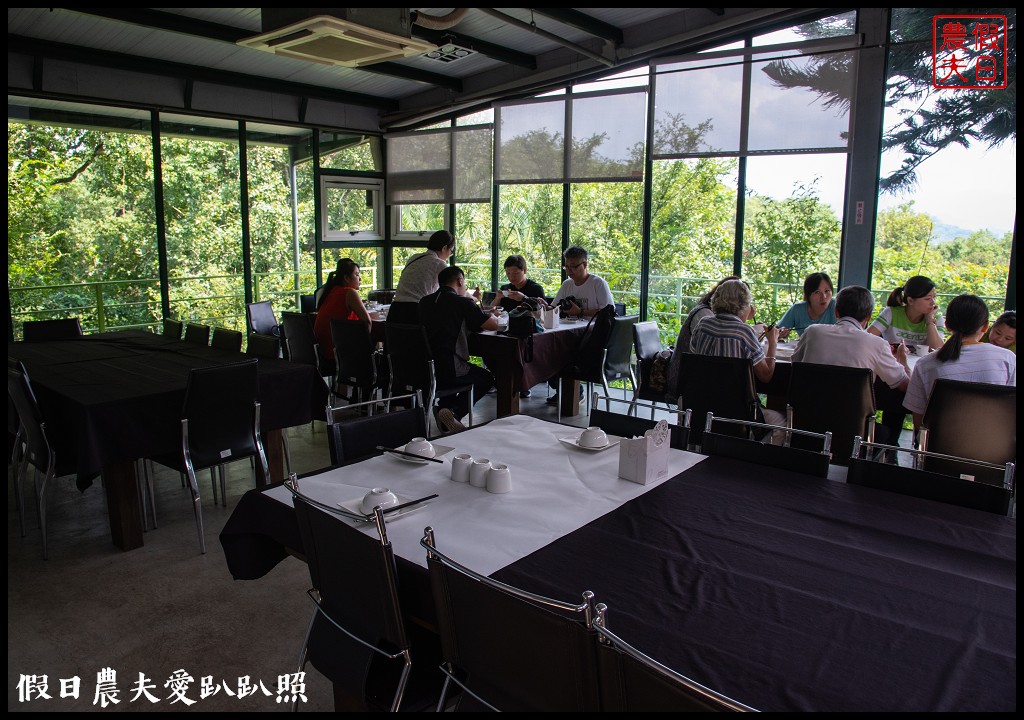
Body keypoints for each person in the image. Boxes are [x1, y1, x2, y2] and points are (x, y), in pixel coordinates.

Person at [791, 285, 911, 444]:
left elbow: (796, 364)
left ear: (836, 312)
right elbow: (904, 385)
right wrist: (902, 359)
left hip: (807, 424)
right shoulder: (877, 344)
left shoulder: (812, 332)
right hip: (854, 432)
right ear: (868, 316)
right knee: (886, 432)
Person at [689, 279, 787, 434]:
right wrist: (773, 343)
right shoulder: (744, 332)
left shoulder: (703, 325)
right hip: (736, 414)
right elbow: (766, 375)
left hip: (702, 407)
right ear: (743, 306)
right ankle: (748, 454)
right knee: (783, 423)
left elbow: (695, 356)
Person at [903, 294, 1016, 428]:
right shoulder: (1007, 358)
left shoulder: (925, 363)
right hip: (991, 445)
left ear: (947, 325)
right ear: (986, 327)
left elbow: (918, 418)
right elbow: (1010, 408)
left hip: (938, 445)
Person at [418, 265, 501, 428]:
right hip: (449, 368)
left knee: (462, 374)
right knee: (486, 378)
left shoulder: (424, 302)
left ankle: (445, 414)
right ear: (459, 280)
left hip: (424, 369)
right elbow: (492, 325)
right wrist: (493, 315)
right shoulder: (461, 302)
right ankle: (452, 411)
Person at [666, 275, 739, 395]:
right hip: (683, 377)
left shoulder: (706, 312)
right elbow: (722, 342)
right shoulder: (705, 315)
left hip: (695, 375)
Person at [387, 230, 456, 325]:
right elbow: (454, 290)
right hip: (415, 312)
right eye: (451, 251)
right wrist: (473, 298)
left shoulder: (414, 258)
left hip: (395, 311)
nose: (449, 255)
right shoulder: (439, 264)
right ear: (444, 248)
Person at [312, 258, 371, 361]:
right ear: (346, 278)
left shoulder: (330, 291)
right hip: (338, 351)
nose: (360, 279)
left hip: (322, 350)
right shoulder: (349, 293)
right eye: (357, 275)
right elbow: (367, 322)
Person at [867, 275, 945, 351]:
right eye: (927, 298)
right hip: (893, 362)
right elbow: (866, 338)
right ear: (910, 300)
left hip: (921, 363)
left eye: (934, 297)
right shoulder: (891, 313)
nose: (933, 302)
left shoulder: (936, 318)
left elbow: (938, 349)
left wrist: (930, 322)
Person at [550, 246, 614, 320]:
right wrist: (544, 306)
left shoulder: (598, 283)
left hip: (593, 329)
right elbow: (554, 307)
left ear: (584, 265)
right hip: (569, 328)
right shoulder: (566, 284)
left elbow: (608, 312)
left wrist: (580, 312)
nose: (569, 270)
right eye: (566, 267)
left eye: (573, 266)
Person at [777, 272, 837, 338]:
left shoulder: (836, 307)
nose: (823, 297)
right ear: (808, 295)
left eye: (827, 291)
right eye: (817, 292)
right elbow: (777, 330)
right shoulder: (797, 309)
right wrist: (782, 332)